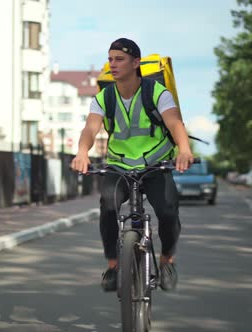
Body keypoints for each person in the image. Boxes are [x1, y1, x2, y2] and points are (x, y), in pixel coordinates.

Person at [70, 38, 194, 292]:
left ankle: (167, 261)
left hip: (155, 166)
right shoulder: (104, 97)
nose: (113, 64)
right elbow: (90, 128)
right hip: (119, 166)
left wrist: (184, 149)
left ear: (135, 63)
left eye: (119, 59)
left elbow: (174, 123)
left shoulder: (157, 92)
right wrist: (82, 152)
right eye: (110, 59)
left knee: (168, 212)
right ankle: (114, 266)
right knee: (107, 207)